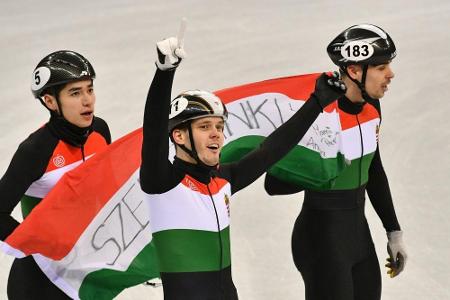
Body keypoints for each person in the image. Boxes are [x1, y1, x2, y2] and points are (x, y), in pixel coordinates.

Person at [139, 32, 347, 299]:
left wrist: (317, 103)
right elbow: (154, 131)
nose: (216, 134)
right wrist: (164, 73)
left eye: (219, 126)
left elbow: (271, 150)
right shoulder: (163, 182)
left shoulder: (222, 180)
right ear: (178, 136)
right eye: (204, 127)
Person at [264, 24, 407, 300]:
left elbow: (373, 169)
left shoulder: (371, 105)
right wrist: (326, 169)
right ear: (354, 70)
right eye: (380, 67)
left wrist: (394, 231)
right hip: (321, 241)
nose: (390, 74)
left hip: (358, 237)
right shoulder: (318, 113)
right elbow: (274, 182)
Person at [0, 50, 111, 299]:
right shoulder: (35, 150)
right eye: (75, 92)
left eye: (89, 89)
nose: (88, 101)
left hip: (85, 272)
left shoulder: (101, 131)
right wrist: (37, 245)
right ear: (50, 101)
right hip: (39, 281)